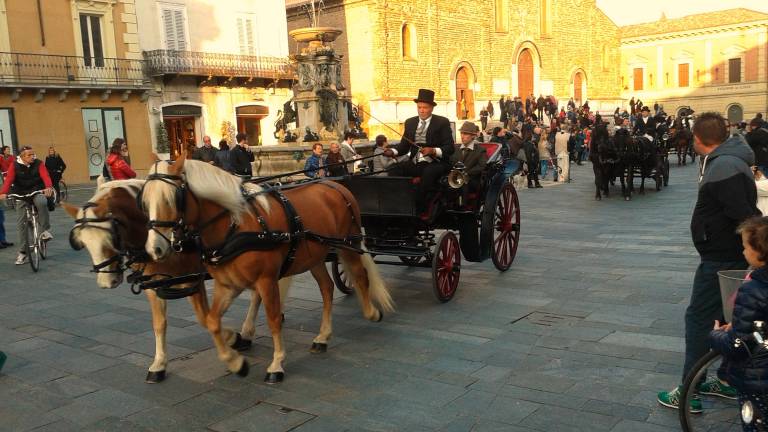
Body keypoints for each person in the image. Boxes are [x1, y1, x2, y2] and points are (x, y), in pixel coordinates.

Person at [658, 112, 759, 411]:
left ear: (699, 140)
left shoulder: (725, 164)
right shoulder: (728, 159)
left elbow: (742, 212)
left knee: (700, 319)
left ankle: (690, 391)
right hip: (727, 256)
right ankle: (725, 380)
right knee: (727, 317)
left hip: (721, 259)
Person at [710, 216, 768, 429]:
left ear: (760, 252)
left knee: (757, 424)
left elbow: (740, 343)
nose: (743, 251)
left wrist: (716, 335)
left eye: (745, 247)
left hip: (759, 378)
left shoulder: (752, 290)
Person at [384, 88, 455, 213]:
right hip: (416, 162)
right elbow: (404, 146)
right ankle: (399, 201)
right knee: (393, 169)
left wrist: (433, 150)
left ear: (431, 108)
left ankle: (420, 207)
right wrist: (393, 152)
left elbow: (450, 148)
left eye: (425, 107)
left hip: (437, 163)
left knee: (428, 173)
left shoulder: (442, 122)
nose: (422, 110)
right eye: (419, 107)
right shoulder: (410, 122)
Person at [0, 146, 54, 265]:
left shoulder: (39, 163)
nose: (32, 157)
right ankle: (23, 252)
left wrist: (48, 187)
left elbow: (45, 176)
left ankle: (44, 231)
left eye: (33, 154)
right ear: (22, 156)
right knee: (21, 222)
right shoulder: (14, 165)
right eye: (29, 155)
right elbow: (8, 180)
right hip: (21, 193)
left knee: (42, 202)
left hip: (36, 190)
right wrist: (3, 192)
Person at [450, 122, 487, 191]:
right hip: (455, 179)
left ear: (473, 136)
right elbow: (450, 161)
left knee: (464, 184)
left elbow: (482, 166)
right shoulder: (455, 148)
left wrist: (466, 173)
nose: (462, 136)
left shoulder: (480, 150)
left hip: (472, 180)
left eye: (465, 134)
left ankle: (463, 202)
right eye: (461, 133)